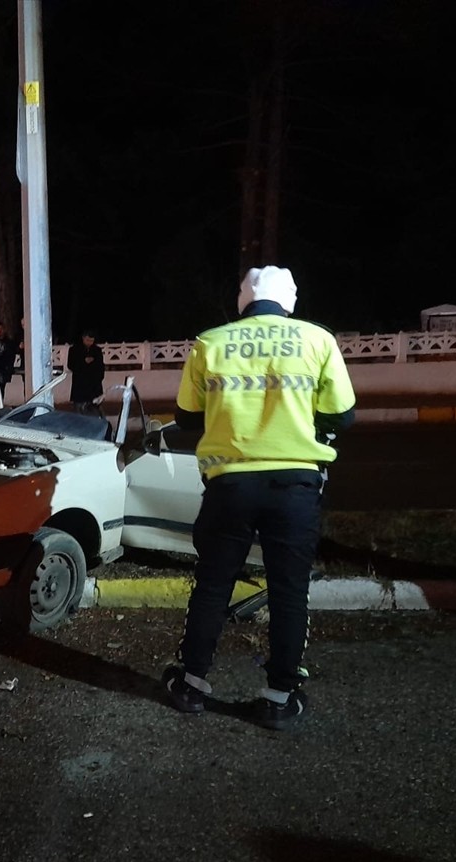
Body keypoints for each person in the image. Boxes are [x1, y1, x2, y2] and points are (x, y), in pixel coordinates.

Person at [162, 265, 356, 731]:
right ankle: (279, 696)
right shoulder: (317, 340)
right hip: (296, 484)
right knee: (290, 591)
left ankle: (191, 684)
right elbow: (343, 416)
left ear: (242, 300)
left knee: (213, 584)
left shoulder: (210, 342)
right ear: (289, 301)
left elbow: (187, 417)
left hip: (230, 484)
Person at [67, 329, 105, 414]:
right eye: (87, 340)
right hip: (80, 385)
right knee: (79, 411)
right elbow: (70, 365)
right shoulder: (74, 350)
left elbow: (101, 366)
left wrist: (99, 378)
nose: (89, 343)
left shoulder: (97, 350)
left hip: (94, 386)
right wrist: (83, 362)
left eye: (92, 341)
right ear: (83, 338)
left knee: (95, 411)